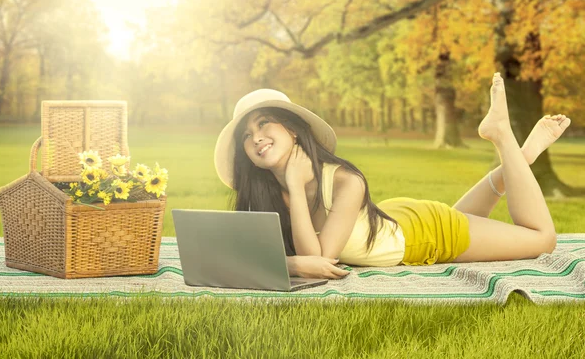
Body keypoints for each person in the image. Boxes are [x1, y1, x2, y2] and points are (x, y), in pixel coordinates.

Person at [214, 73, 571, 280]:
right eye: (246, 135)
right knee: (473, 221)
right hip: (393, 220)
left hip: (424, 235)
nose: (256, 137)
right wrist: (289, 263)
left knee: (542, 238)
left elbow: (319, 260)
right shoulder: (264, 194)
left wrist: (294, 182)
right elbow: (254, 255)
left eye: (264, 124)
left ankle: (502, 136)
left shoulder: (344, 181)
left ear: (293, 130)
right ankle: (521, 159)